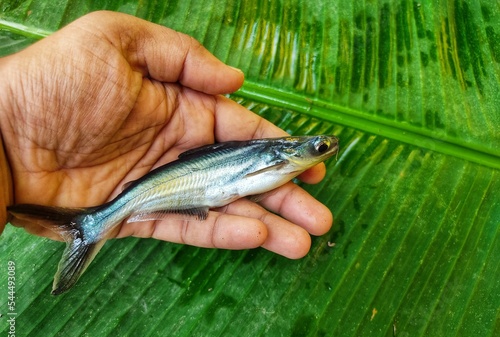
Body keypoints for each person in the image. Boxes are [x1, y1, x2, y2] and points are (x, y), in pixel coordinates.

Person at [0, 11, 332, 259]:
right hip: (175, 186)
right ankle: (90, 226)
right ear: (290, 151)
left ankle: (90, 225)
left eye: (320, 147)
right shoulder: (279, 154)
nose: (324, 149)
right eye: (319, 147)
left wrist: (9, 141)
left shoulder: (279, 156)